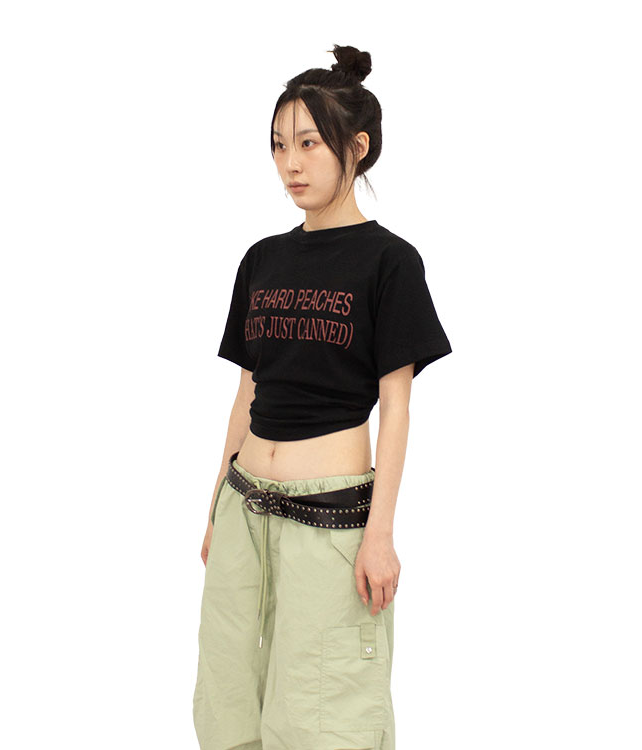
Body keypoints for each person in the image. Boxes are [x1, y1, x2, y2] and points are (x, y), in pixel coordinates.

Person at [193, 44, 453, 750]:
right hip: (244, 508)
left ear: (356, 148)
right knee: (227, 701)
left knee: (322, 716)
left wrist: (381, 533)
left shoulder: (389, 261)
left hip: (330, 520)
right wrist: (216, 504)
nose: (291, 164)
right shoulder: (262, 258)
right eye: (279, 145)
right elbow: (247, 390)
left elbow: (396, 407)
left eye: (309, 143)